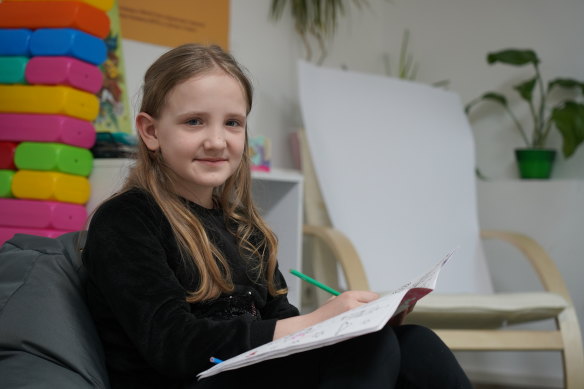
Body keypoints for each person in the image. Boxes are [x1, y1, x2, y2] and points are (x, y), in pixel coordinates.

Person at [83, 43, 472, 389]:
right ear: (150, 132)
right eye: (194, 121)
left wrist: (349, 322)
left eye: (232, 123)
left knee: (415, 342)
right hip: (186, 378)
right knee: (370, 349)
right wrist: (319, 320)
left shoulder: (242, 227)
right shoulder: (126, 220)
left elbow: (280, 318)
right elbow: (173, 345)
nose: (217, 141)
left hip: (248, 373)